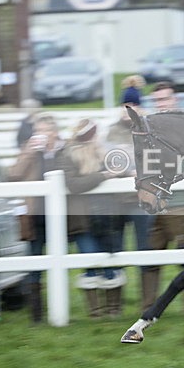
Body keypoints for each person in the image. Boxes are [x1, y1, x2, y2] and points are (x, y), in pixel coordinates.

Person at [143, 82, 184, 312]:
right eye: (157, 100)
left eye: (165, 99)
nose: (161, 104)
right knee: (150, 257)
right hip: (153, 205)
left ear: (175, 100)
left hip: (181, 203)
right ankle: (147, 308)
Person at [59, 118, 123, 319]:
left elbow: (119, 173)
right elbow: (73, 185)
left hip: (107, 216)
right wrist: (103, 176)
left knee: (110, 261)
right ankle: (95, 311)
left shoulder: (104, 153)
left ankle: (113, 309)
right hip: (82, 219)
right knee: (90, 260)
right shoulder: (68, 155)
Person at [8, 112, 65, 323]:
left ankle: (60, 306)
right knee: (35, 262)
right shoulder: (29, 151)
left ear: (55, 132)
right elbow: (13, 175)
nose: (41, 134)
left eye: (45, 130)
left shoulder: (64, 150)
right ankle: (36, 314)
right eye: (38, 131)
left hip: (61, 216)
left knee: (61, 261)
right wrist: (29, 153)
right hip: (35, 216)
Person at [105, 90, 153, 312]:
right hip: (116, 201)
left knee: (144, 248)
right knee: (114, 249)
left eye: (134, 104)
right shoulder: (110, 132)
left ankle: (147, 305)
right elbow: (108, 160)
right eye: (125, 104)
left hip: (140, 200)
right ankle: (114, 306)